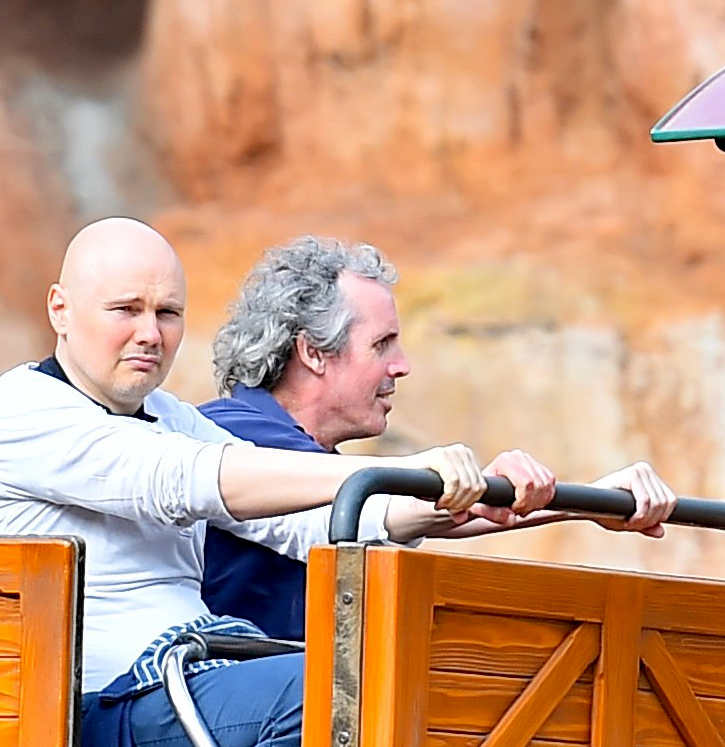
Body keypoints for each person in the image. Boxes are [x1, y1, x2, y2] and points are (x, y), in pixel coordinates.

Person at [0, 218, 584, 747]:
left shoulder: (168, 416)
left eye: (168, 313)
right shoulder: (19, 411)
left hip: (179, 687)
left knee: (401, 684)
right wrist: (401, 468)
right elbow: (189, 479)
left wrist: (518, 500)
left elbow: (322, 523)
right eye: (126, 309)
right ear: (60, 310)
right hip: (81, 722)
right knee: (323, 694)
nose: (150, 334)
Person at [201, 236, 678, 638]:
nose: (401, 365)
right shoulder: (234, 434)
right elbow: (385, 512)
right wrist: (483, 485)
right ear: (313, 353)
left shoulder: (314, 454)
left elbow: (401, 513)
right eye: (382, 344)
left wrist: (591, 500)